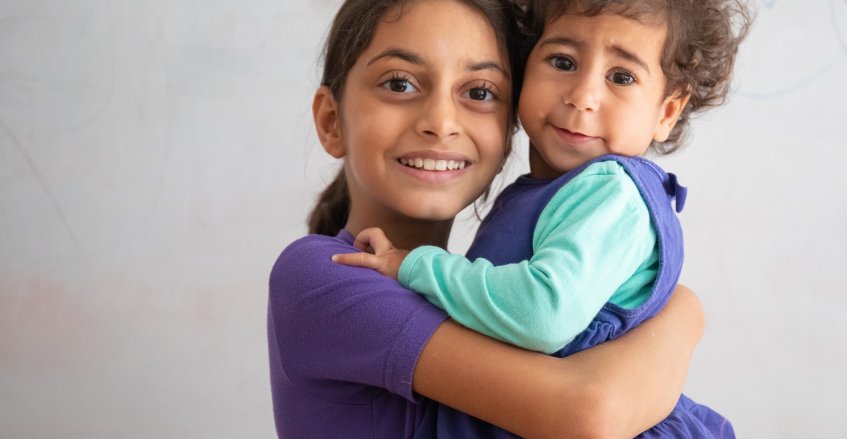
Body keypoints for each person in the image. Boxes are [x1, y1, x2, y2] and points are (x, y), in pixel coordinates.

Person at [268, 0, 708, 437]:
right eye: (399, 84)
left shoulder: (483, 287)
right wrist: (682, 316)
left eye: (479, 92)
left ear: (508, 125)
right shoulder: (320, 279)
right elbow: (587, 416)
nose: (441, 123)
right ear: (331, 121)